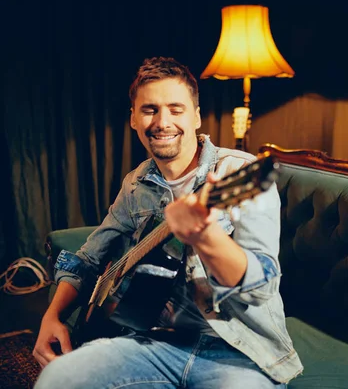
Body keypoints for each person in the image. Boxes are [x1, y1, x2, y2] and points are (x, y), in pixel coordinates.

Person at [33, 56, 303, 388]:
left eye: (176, 109)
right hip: (151, 342)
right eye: (150, 110)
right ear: (133, 118)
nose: (163, 122)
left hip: (238, 352)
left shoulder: (237, 174)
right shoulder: (136, 183)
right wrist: (53, 316)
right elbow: (87, 259)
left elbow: (261, 287)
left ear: (196, 116)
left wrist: (205, 236)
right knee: (57, 378)